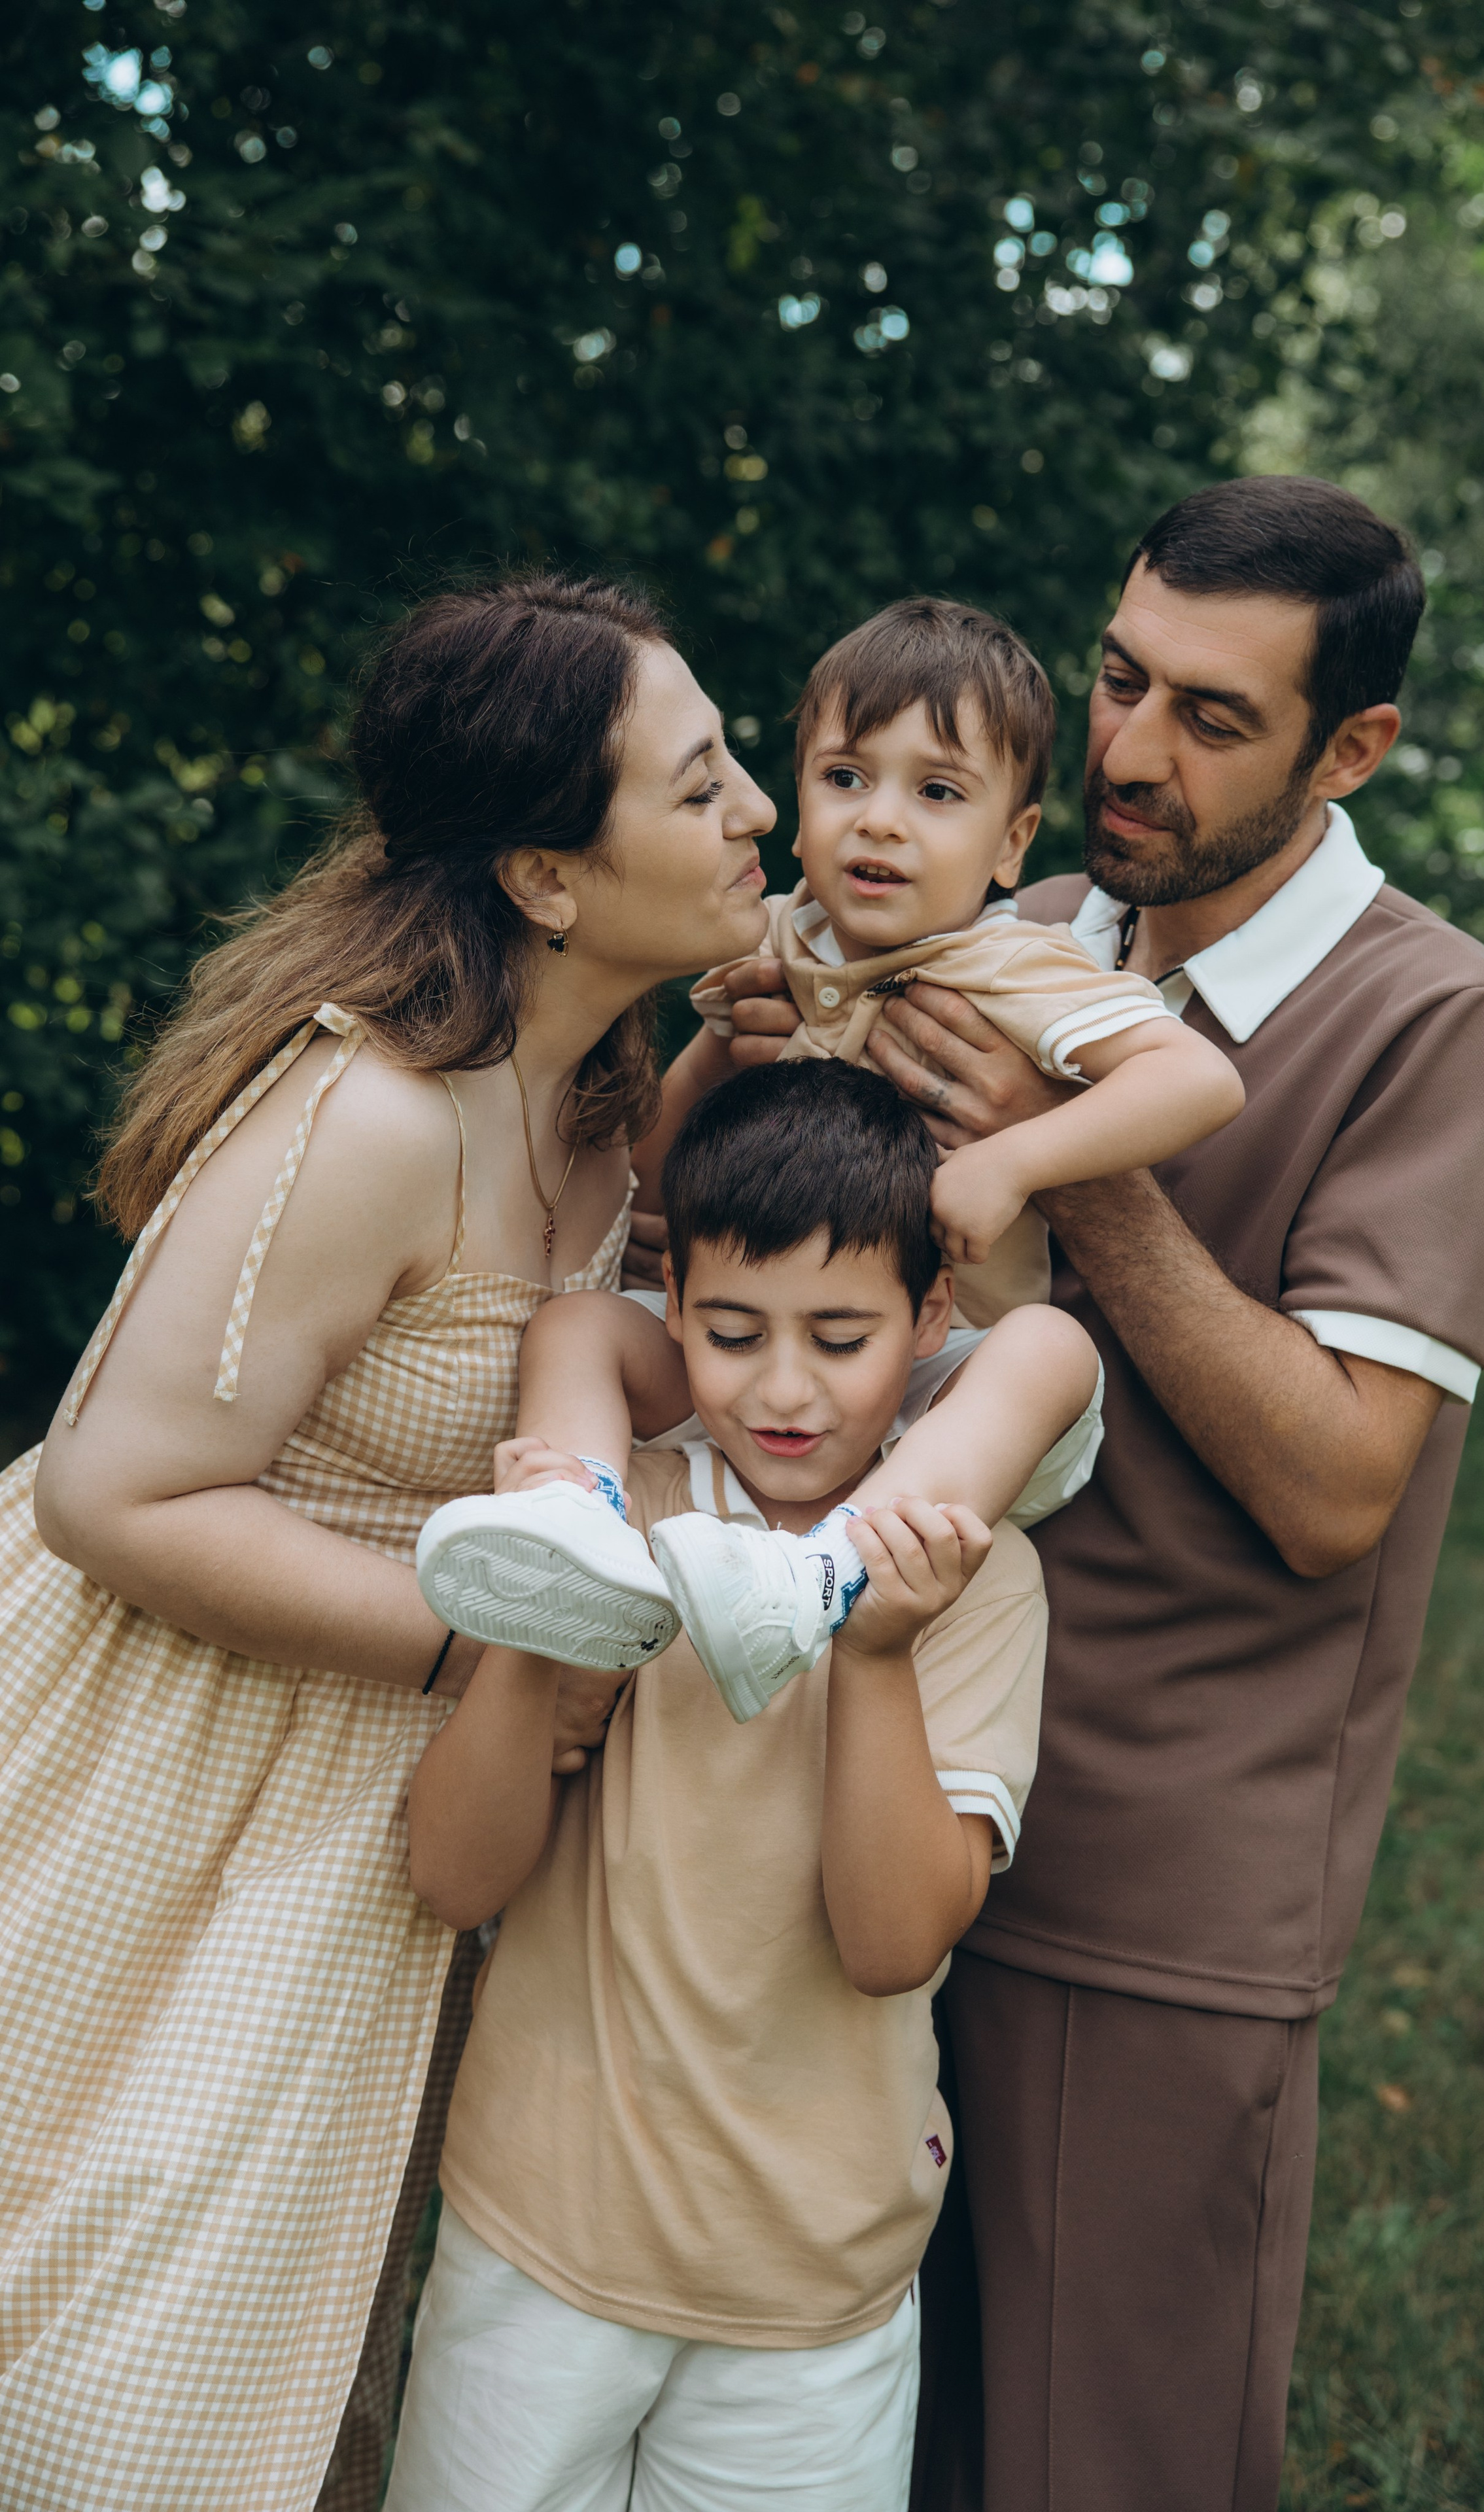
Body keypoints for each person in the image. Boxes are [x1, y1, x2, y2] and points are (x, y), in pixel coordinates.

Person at [687, 479, 1484, 2512]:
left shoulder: (1440, 1020)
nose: (1134, 756)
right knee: (845, 2438)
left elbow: (1343, 1486)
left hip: (1150, 1880)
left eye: (1217, 718)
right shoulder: (1013, 927)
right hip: (854, 1798)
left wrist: (1081, 1168)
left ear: (1356, 750)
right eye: (1118, 680)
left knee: (1099, 2462)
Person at [0, 573, 776, 2512]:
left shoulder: (602, 1100)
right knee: (102, 2351)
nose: (758, 806)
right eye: (700, 788)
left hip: (378, 1792)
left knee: (273, 2322)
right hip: (164, 1747)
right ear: (546, 876)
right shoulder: (370, 1115)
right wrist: (492, 1650)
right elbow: (115, 1494)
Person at [383, 1060, 1050, 2512]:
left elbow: (890, 1946)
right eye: (734, 1333)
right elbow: (452, 1878)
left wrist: (869, 1656)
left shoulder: (975, 1583)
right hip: (540, 2240)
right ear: (671, 1305)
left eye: (842, 1336)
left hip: (811, 2285)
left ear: (931, 1322)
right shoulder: (635, 1517)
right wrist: (536, 1621)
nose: (787, 1388)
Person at [413, 599, 1241, 1720]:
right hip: (749, 1364)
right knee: (580, 1324)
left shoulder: (1012, 967)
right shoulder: (771, 942)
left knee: (1050, 1352)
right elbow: (651, 1179)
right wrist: (713, 1051)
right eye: (847, 779)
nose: (881, 823)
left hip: (938, 1400)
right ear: (795, 810)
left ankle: (830, 1571)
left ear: (1011, 844)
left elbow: (1197, 1081)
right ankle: (569, 1519)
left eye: (938, 793)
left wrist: (1015, 1162)